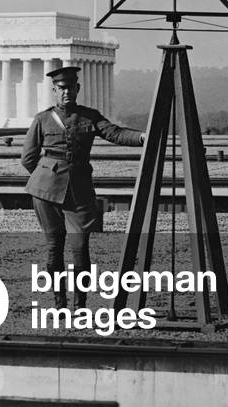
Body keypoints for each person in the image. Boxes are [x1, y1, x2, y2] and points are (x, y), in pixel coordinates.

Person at [21, 65, 145, 310]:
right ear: (54, 90)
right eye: (61, 88)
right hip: (46, 193)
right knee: (54, 248)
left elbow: (115, 133)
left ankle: (80, 305)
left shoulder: (90, 116)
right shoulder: (43, 119)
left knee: (80, 247)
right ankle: (59, 304)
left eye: (71, 88)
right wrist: (46, 176)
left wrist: (142, 137)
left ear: (77, 89)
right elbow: (28, 158)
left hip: (78, 191)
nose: (66, 92)